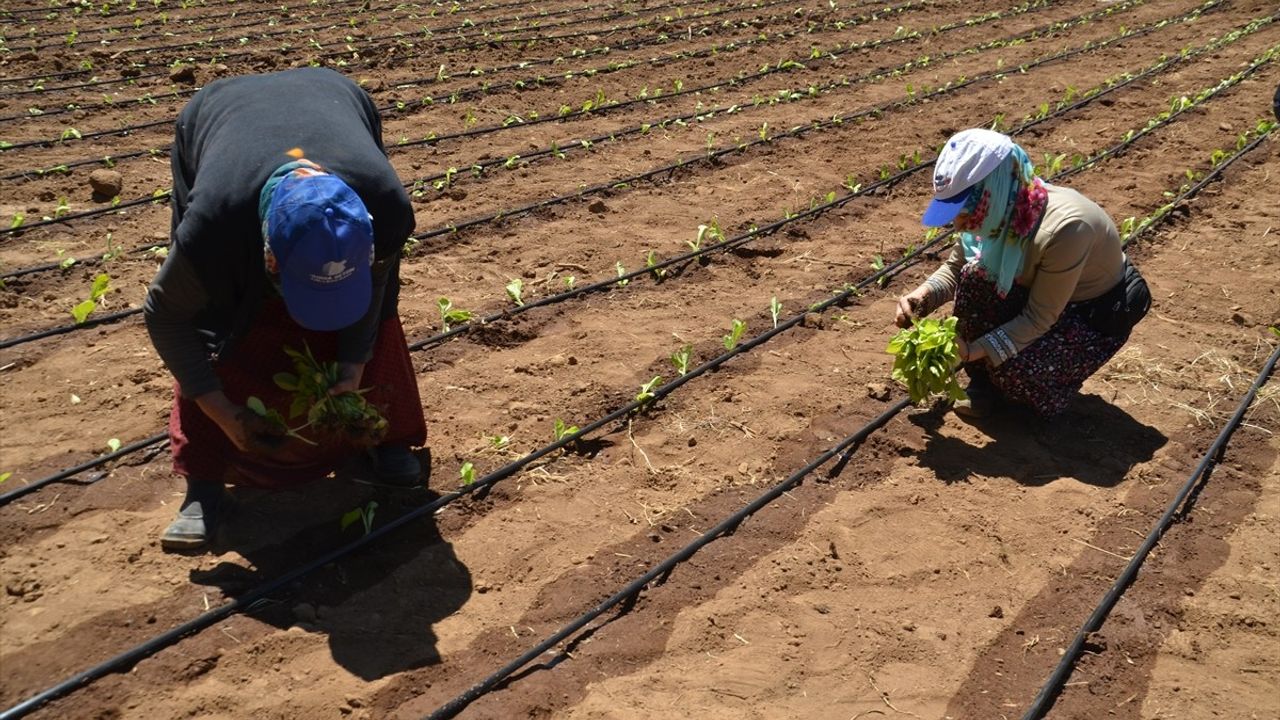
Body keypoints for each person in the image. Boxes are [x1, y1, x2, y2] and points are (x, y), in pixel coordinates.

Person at [145, 68, 428, 551]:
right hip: (218, 121)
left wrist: (353, 367)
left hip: (332, 97)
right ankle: (205, 481)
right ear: (268, 258)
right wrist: (223, 412)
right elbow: (166, 317)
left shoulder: (385, 207)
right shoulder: (214, 227)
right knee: (216, 324)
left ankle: (387, 439)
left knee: (377, 315)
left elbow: (376, 290)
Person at [895, 128, 1149, 418]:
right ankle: (986, 383)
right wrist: (922, 296)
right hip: (1038, 296)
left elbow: (1039, 317)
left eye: (965, 211)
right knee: (975, 280)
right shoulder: (996, 214)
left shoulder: (1068, 229)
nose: (959, 224)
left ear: (993, 191)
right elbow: (956, 267)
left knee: (1018, 371)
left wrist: (971, 351)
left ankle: (1038, 395)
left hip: (1091, 314)